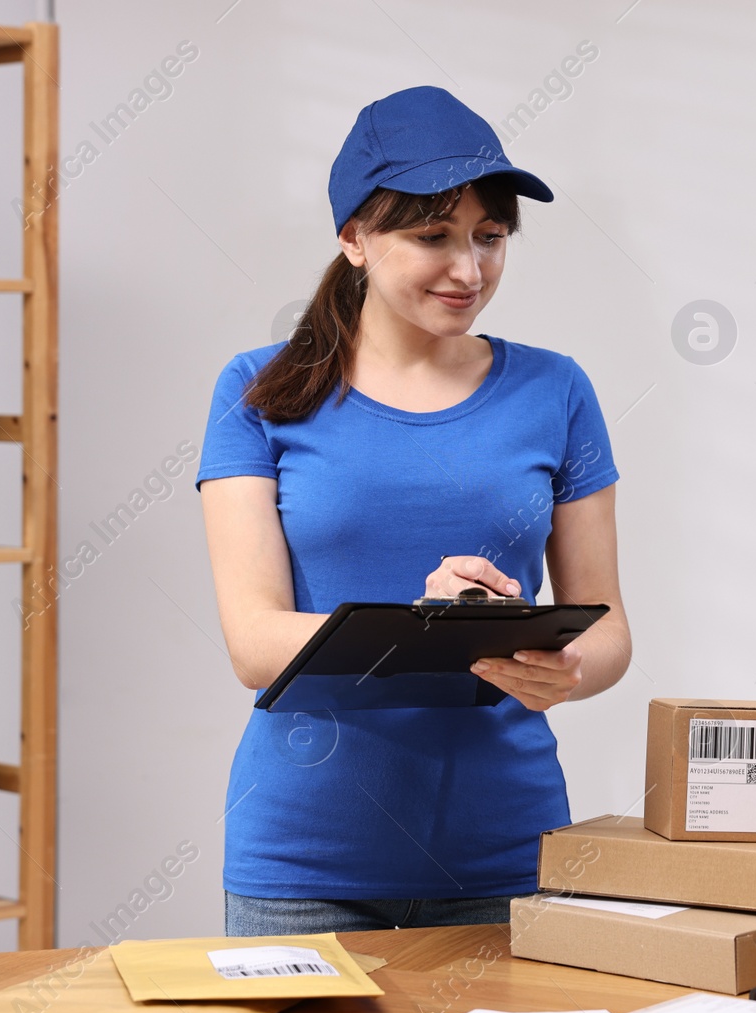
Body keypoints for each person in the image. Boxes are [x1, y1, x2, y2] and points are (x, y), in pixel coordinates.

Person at [195, 85, 631, 937]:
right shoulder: (259, 389)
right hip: (305, 863)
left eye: (490, 237)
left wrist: (565, 666)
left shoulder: (557, 389)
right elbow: (253, 643)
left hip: (507, 852)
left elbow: (607, 628)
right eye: (433, 236)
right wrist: (436, 628)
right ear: (354, 237)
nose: (469, 270)